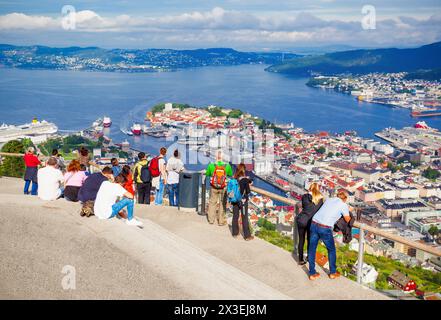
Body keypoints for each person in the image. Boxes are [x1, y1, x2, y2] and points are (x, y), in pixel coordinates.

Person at [308, 190, 352, 281]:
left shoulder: (329, 199)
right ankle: (332, 272)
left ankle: (312, 274)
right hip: (324, 227)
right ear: (345, 199)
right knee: (331, 250)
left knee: (312, 248)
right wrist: (348, 211)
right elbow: (348, 220)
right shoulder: (343, 205)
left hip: (314, 223)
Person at [296, 182, 324, 265]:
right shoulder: (320, 199)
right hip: (311, 222)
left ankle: (300, 259)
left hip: (302, 220)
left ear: (310, 188)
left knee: (301, 240)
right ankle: (309, 257)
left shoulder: (305, 197)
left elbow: (304, 206)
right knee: (309, 240)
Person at [205, 150, 233, 226]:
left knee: (212, 202)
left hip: (213, 186)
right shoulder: (227, 166)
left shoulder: (211, 165)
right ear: (223, 157)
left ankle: (211, 220)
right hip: (223, 187)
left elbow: (208, 174)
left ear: (215, 157)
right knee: (222, 203)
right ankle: (221, 221)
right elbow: (230, 174)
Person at [230, 163, 253, 240]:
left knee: (235, 216)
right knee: (244, 217)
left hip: (235, 200)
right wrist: (248, 184)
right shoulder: (245, 180)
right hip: (243, 201)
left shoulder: (234, 178)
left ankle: (235, 233)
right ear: (243, 170)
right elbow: (248, 191)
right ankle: (247, 236)